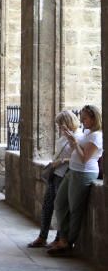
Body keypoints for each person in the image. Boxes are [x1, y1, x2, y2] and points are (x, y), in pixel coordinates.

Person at [49, 105, 103, 256]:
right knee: (59, 203)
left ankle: (67, 243)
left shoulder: (97, 136)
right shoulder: (87, 132)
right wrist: (72, 141)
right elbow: (77, 152)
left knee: (75, 209)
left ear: (94, 118)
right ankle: (63, 238)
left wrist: (73, 141)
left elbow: (85, 158)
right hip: (73, 171)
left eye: (85, 118)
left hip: (84, 173)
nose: (82, 121)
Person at [28, 110, 82, 248]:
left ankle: (59, 238)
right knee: (47, 206)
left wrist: (63, 160)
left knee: (61, 209)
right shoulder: (63, 136)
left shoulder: (78, 136)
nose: (59, 127)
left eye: (60, 124)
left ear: (68, 122)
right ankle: (42, 236)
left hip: (65, 175)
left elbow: (80, 158)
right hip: (55, 174)